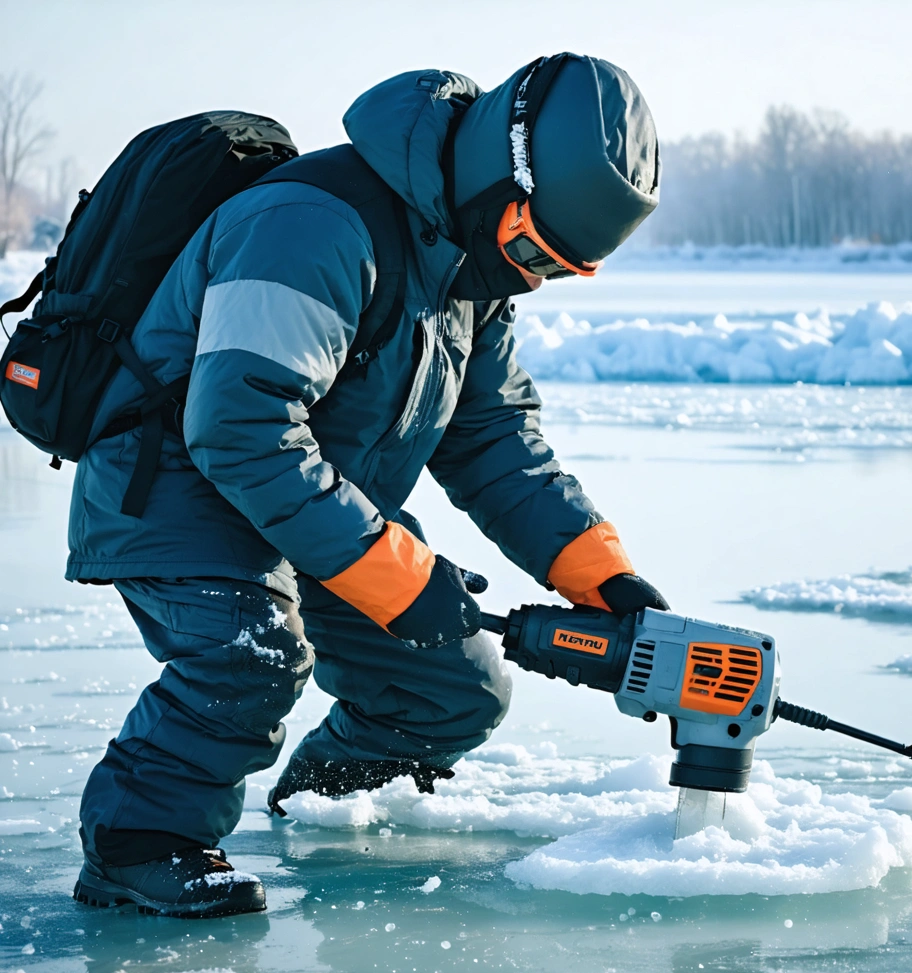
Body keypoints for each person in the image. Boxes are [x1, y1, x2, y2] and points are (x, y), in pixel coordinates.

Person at [70, 53, 666, 918]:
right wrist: (394, 575)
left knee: (453, 687)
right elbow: (239, 428)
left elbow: (494, 439)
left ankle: (324, 806)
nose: (530, 277)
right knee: (249, 657)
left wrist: (602, 577)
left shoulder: (469, 264)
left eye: (559, 269)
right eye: (531, 248)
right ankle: (138, 845)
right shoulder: (310, 224)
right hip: (177, 488)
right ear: (500, 176)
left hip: (313, 500)